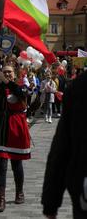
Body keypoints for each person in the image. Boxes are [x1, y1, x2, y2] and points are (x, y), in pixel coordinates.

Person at [42, 71, 87, 219]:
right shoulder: (79, 87)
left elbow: (61, 147)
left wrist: (51, 202)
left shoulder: (78, 86)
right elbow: (62, 146)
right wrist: (51, 201)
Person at [0, 64, 31, 213]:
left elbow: (21, 94)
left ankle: (19, 192)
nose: (7, 74)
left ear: (15, 73)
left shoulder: (22, 85)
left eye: (9, 72)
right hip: (0, 128)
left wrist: (8, 82)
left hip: (15, 128)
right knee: (1, 165)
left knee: (16, 163)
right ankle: (1, 199)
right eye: (4, 72)